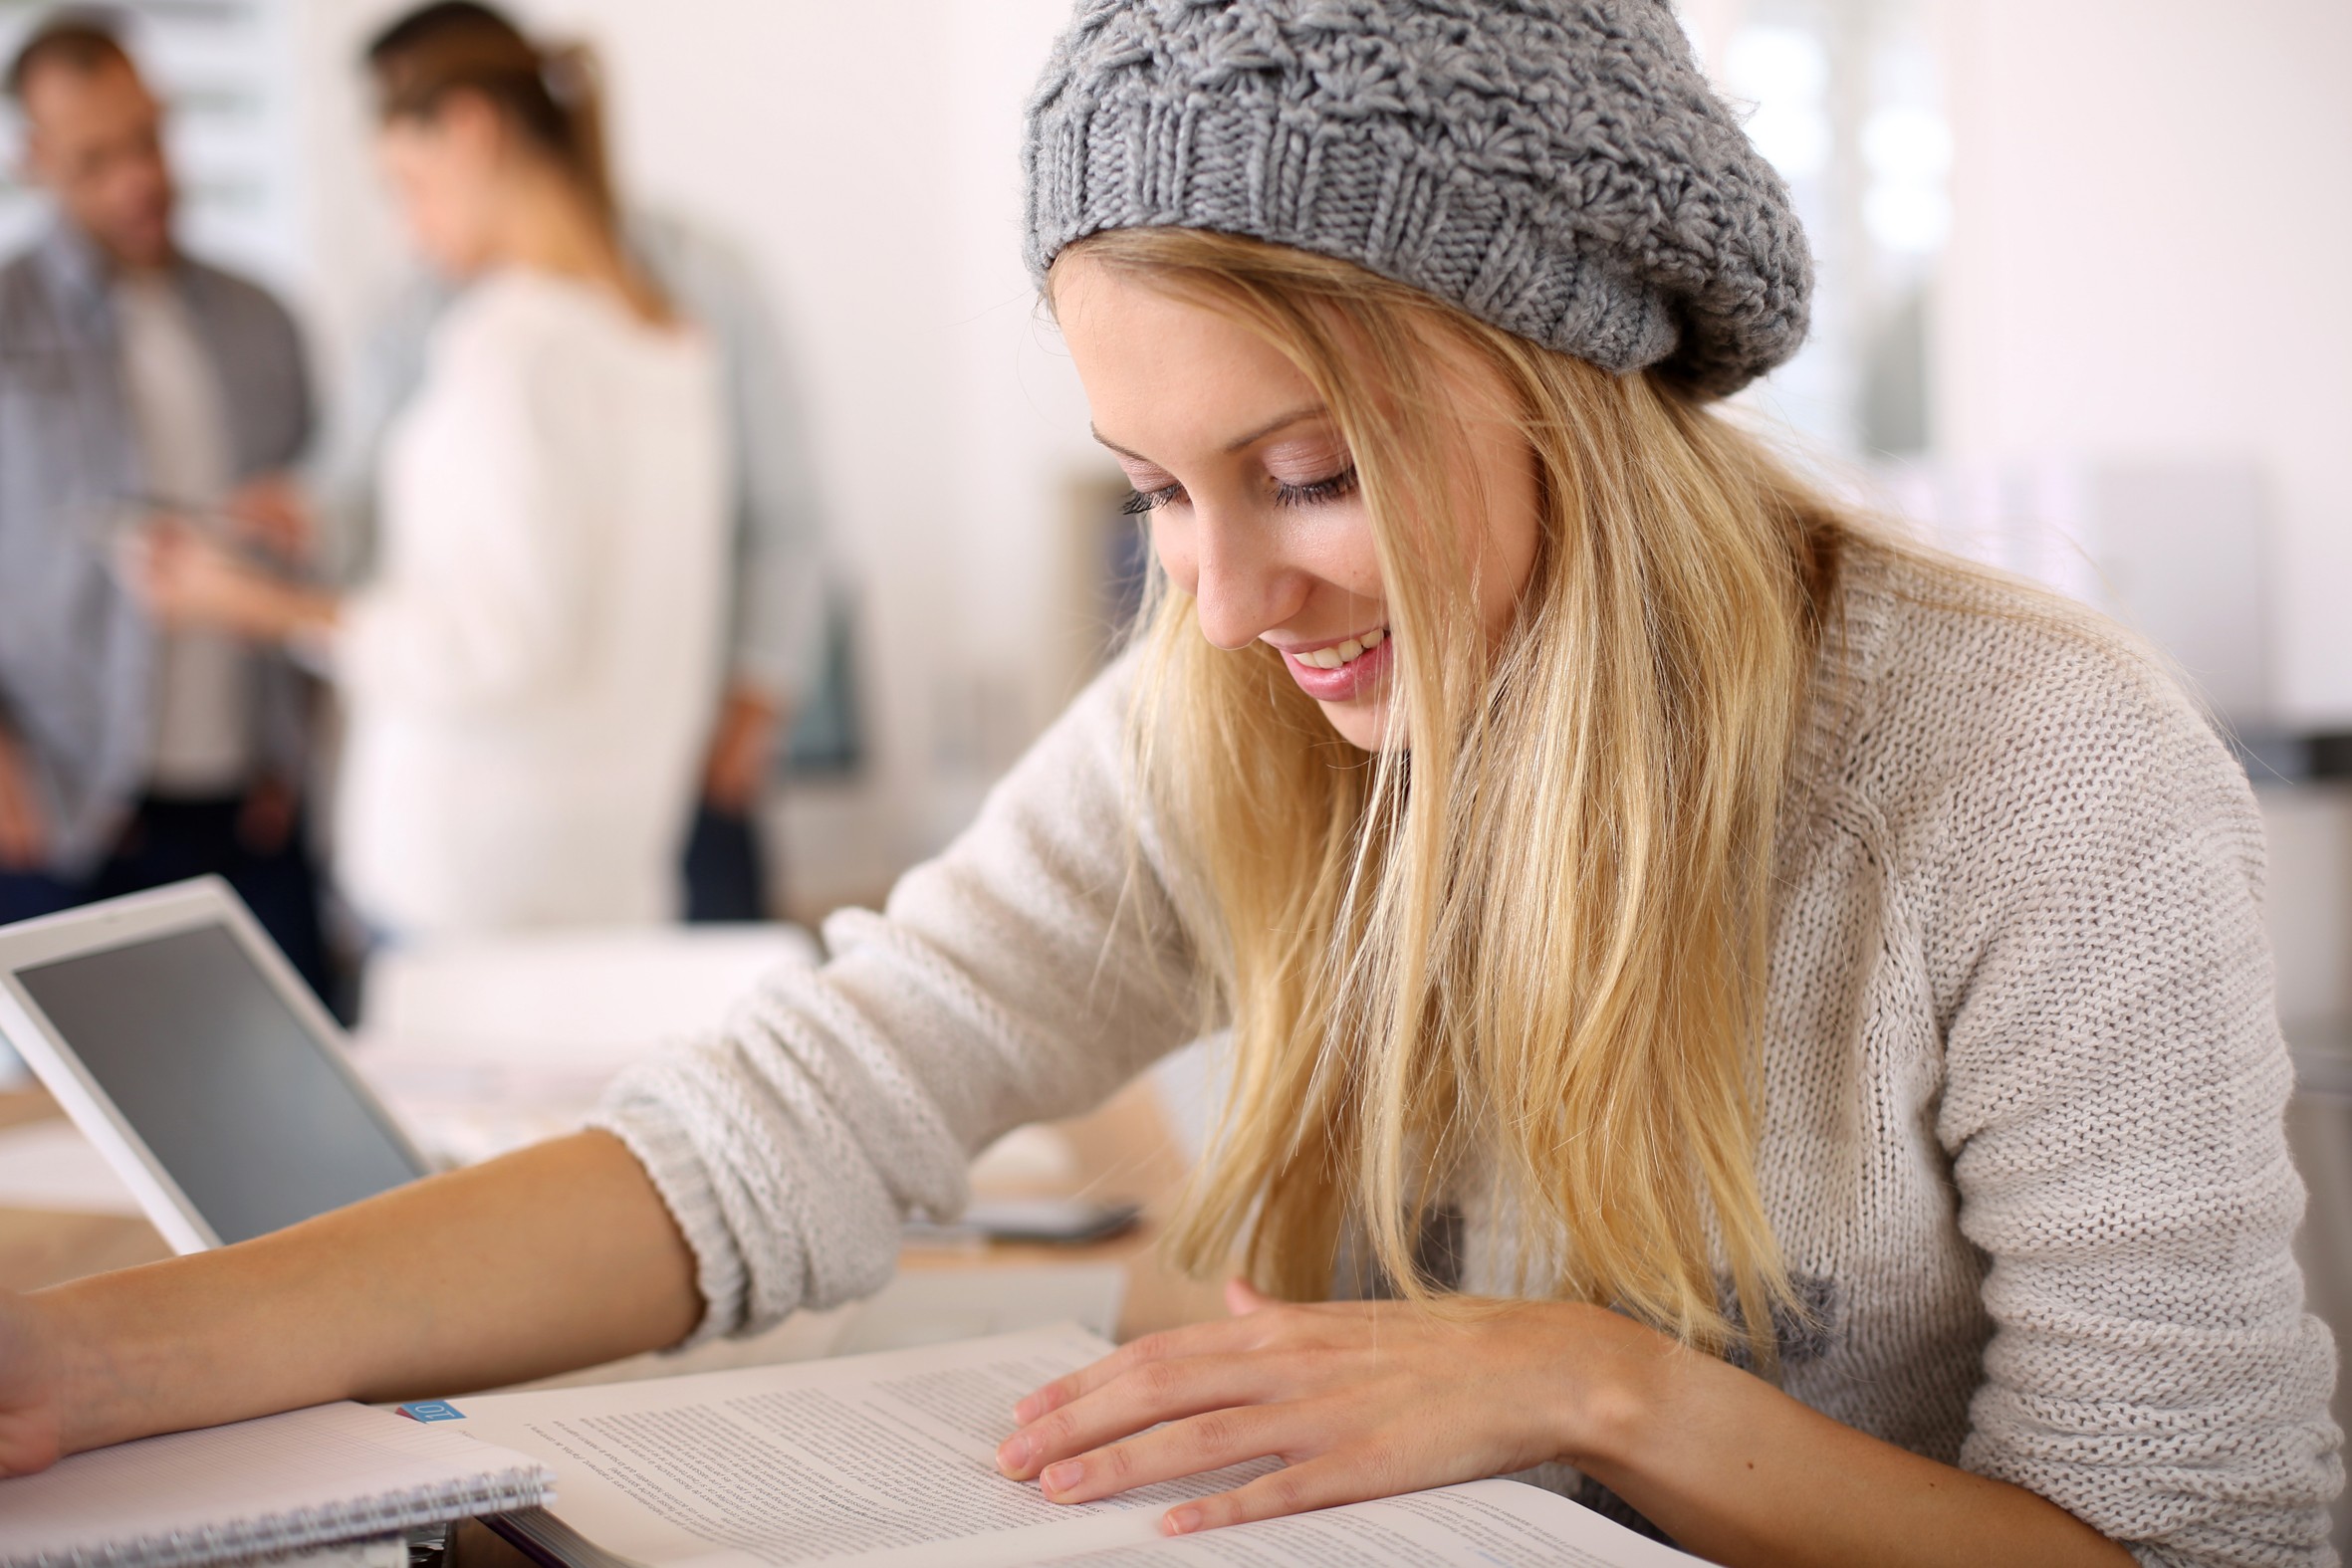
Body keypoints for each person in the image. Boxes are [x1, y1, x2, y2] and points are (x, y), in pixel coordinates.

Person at [2, 3, 2339, 1563]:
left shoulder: (2029, 774)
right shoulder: (1224, 700)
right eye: (1149, 488)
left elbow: (2198, 1540)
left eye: (1307, 473)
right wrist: (90, 1365)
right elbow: (788, 1121)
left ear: (1584, 383)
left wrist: (1599, 1395)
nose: (1217, 603)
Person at [126, 6, 731, 935]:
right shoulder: (670, 347)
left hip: (470, 879)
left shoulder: (512, 346)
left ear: (469, 133)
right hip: (609, 865)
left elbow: (496, 645)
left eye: (406, 187)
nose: (410, 233)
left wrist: (265, 607)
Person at [308, 1, 828, 927]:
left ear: (467, 125)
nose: (406, 214)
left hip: (668, 752)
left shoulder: (681, 295)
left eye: (405, 168)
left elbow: (782, 512)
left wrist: (748, 709)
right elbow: (372, 505)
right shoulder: (417, 314)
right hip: (516, 787)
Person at [0, 14, 328, 993]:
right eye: (98, 157)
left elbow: (321, 539)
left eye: (148, 139)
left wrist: (299, 751)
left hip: (252, 810)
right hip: (68, 813)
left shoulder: (261, 318)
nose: (139, 177)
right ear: (37, 160)